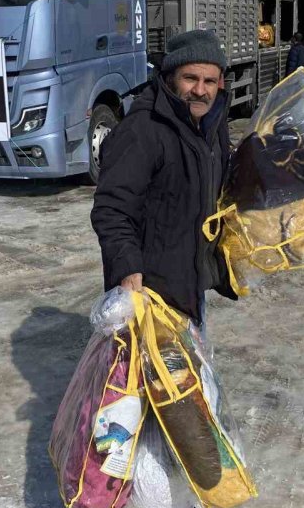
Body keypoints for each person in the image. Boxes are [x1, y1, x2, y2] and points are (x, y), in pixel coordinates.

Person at [91, 29, 237, 326]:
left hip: (190, 284)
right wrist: (127, 269)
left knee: (192, 354)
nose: (200, 90)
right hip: (150, 292)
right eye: (190, 78)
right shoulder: (142, 130)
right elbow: (112, 208)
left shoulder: (210, 124)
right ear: (170, 77)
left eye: (209, 81)